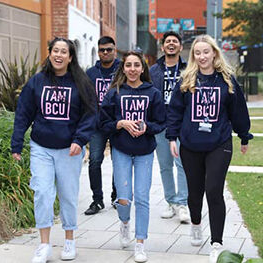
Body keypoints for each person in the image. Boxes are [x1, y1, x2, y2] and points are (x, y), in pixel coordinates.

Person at [166, 34, 253, 263]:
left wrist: (244, 136)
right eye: (197, 52)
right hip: (191, 145)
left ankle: (217, 243)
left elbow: (238, 111)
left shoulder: (227, 81)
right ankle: (196, 223)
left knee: (214, 190)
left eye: (206, 52)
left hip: (219, 143)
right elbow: (174, 111)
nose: (202, 56)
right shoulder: (185, 81)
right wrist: (171, 137)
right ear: (193, 56)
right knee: (195, 193)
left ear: (214, 53)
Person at [11, 37, 97, 263]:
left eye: (64, 52)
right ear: (49, 54)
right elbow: (23, 113)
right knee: (42, 193)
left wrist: (80, 139)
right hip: (41, 147)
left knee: (68, 195)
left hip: (69, 149)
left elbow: (91, 114)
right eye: (55, 51)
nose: (59, 55)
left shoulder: (81, 82)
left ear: (70, 57)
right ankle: (44, 245)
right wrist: (16, 143)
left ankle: (69, 240)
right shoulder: (37, 81)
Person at [99, 51, 166, 262]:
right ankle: (125, 223)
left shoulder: (153, 93)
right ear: (123, 68)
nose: (133, 69)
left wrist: (146, 127)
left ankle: (140, 243)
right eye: (129, 65)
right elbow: (103, 123)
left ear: (143, 68)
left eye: (137, 65)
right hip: (121, 150)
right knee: (124, 198)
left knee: (143, 197)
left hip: (145, 151)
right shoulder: (114, 93)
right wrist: (120, 124)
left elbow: (161, 123)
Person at [149, 31, 189, 223]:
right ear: (163, 47)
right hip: (161, 125)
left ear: (180, 47)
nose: (171, 44)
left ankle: (182, 204)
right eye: (168, 42)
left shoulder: (189, 69)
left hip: (182, 125)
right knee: (165, 166)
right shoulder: (153, 71)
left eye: (175, 42)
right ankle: (171, 201)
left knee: (182, 164)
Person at [84, 36, 119, 215]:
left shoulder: (122, 70)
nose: (106, 53)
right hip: (97, 125)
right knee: (95, 161)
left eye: (109, 49)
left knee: (119, 162)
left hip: (118, 124)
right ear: (98, 52)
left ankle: (116, 197)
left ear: (115, 50)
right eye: (102, 50)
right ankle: (97, 200)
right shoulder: (90, 73)